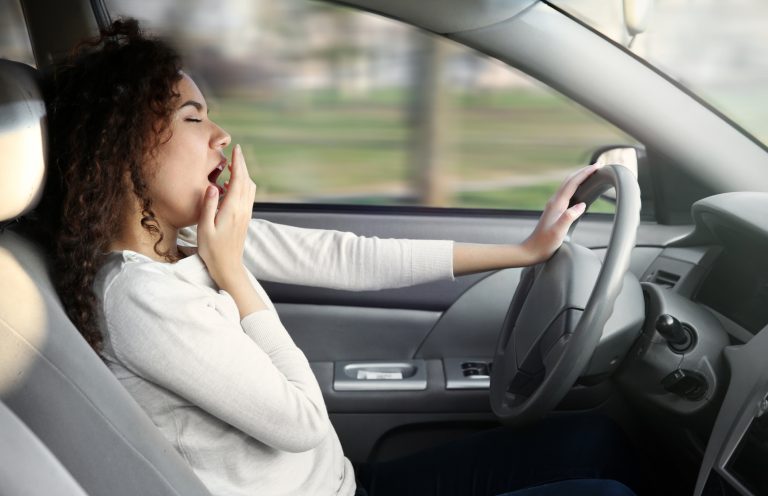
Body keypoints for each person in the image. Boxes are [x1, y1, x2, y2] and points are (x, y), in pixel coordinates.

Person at [38, 18, 644, 496]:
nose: (221, 134)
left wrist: (522, 251)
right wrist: (234, 275)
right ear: (119, 149)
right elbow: (300, 423)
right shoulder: (139, 296)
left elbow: (345, 257)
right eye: (192, 117)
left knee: (594, 438)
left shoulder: (191, 238)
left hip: (347, 482)